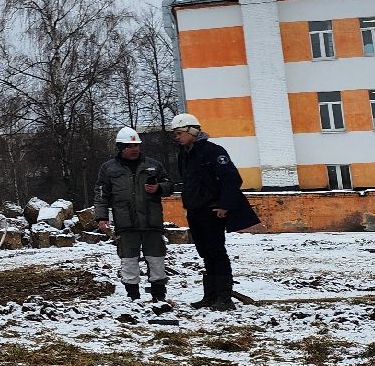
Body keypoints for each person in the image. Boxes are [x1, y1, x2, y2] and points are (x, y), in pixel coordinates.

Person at [170, 112, 259, 310]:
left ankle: (224, 298)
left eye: (179, 132)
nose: (176, 137)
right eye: (174, 133)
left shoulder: (213, 151)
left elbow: (231, 179)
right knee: (205, 253)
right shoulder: (184, 154)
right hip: (195, 210)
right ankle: (210, 296)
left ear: (192, 131)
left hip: (211, 210)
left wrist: (225, 205)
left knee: (216, 252)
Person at [93, 126, 170, 302]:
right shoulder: (108, 169)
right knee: (128, 261)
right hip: (125, 223)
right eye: (129, 146)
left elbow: (169, 185)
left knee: (156, 259)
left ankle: (159, 296)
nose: (135, 149)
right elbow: (101, 194)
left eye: (137, 145)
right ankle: (132, 297)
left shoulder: (153, 165)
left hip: (152, 222)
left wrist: (159, 188)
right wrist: (101, 217)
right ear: (121, 148)